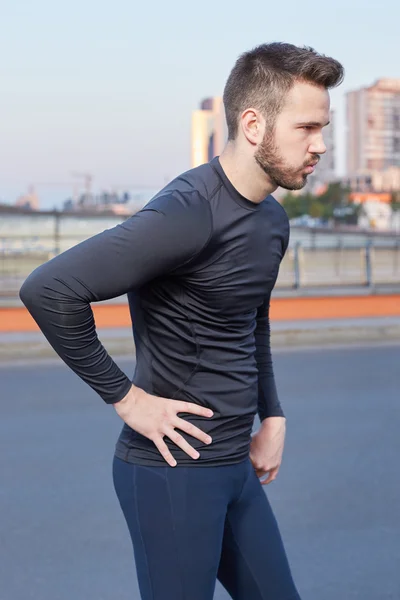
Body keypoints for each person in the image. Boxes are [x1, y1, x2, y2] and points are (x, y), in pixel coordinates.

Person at [19, 42, 344, 600]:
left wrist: (272, 414)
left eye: (325, 128)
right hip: (172, 475)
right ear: (253, 124)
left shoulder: (272, 220)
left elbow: (251, 320)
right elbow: (49, 290)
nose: (321, 145)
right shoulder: (187, 211)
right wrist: (127, 399)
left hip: (234, 467)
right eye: (307, 128)